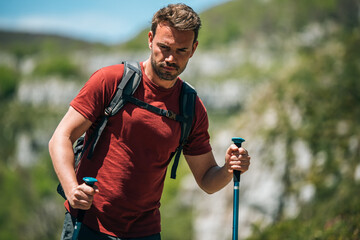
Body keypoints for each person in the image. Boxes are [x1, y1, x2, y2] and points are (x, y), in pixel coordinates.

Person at [49, 3, 251, 240]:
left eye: (181, 50)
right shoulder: (111, 81)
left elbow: (207, 179)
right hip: (87, 222)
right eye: (164, 47)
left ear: (194, 49)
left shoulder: (191, 107)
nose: (170, 58)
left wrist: (228, 169)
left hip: (145, 233)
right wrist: (72, 190)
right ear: (150, 39)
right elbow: (60, 138)